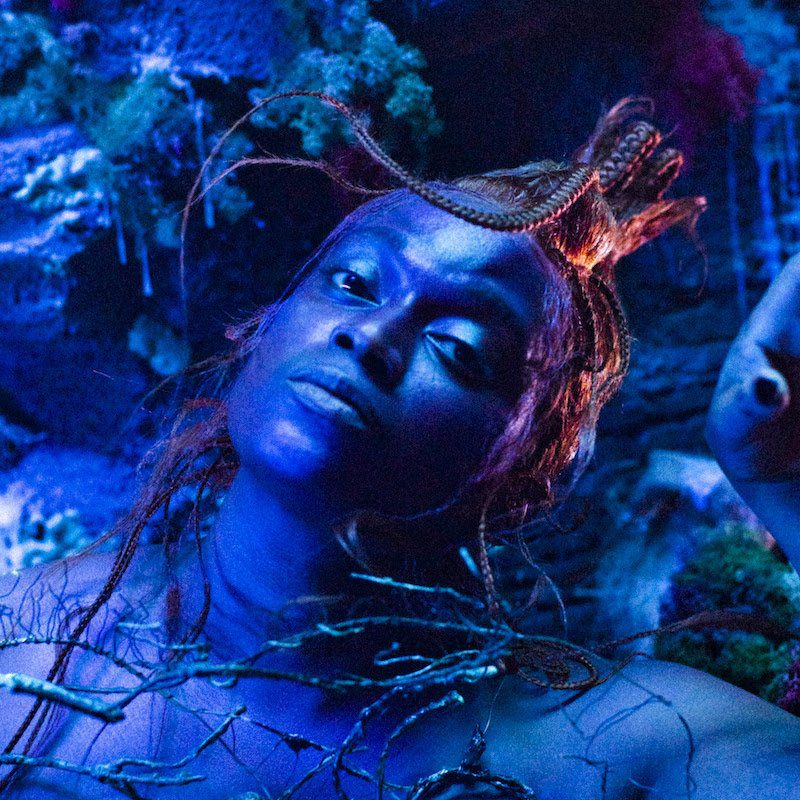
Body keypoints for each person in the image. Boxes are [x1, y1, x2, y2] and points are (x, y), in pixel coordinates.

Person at [0, 93, 798, 799]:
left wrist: (780, 484)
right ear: (260, 331)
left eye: (458, 349)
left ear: (528, 473)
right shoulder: (22, 651)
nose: (373, 336)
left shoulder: (607, 751)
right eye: (353, 283)